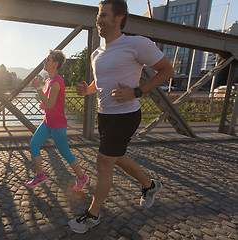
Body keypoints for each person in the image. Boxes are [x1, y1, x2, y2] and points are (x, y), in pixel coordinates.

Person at [68, 0, 174, 234]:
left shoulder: (136, 44)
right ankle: (150, 186)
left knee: (104, 162)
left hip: (126, 116)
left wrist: (137, 91)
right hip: (105, 116)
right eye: (98, 16)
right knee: (118, 157)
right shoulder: (97, 53)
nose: (98, 20)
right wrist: (87, 90)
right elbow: (102, 82)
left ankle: (92, 216)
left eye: (104, 15)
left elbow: (167, 70)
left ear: (119, 18)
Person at [27, 50, 89, 192]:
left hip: (58, 125)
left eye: (47, 60)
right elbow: (48, 103)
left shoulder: (56, 83)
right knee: (34, 145)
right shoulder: (48, 80)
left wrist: (37, 88)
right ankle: (40, 176)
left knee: (65, 152)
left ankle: (82, 177)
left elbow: (50, 104)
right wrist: (43, 102)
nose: (44, 62)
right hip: (48, 122)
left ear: (55, 64)